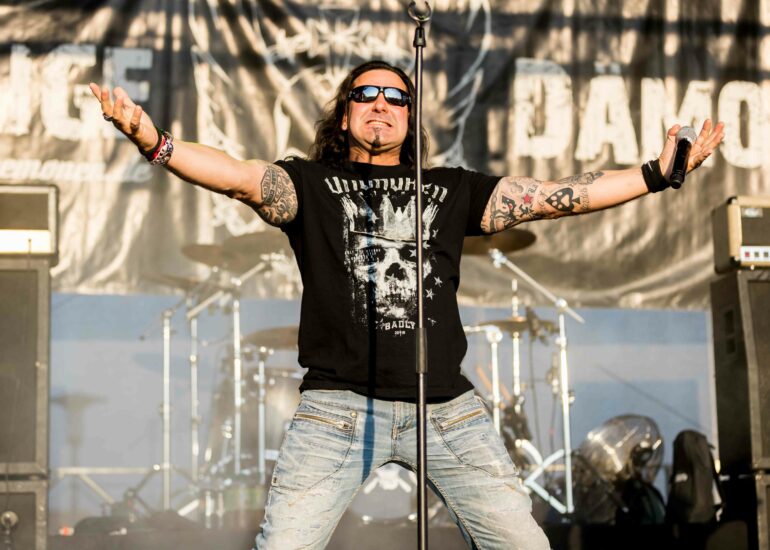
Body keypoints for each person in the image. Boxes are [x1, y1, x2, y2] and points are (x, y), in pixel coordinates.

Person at [90, 59, 723, 549]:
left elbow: (559, 195)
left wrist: (657, 173)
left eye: (397, 97)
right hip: (337, 408)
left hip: (445, 409)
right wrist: (153, 139)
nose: (382, 104)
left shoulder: (450, 189)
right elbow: (234, 174)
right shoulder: (310, 183)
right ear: (345, 115)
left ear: (409, 117)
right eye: (366, 93)